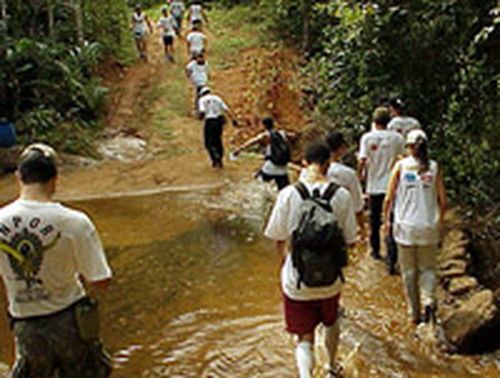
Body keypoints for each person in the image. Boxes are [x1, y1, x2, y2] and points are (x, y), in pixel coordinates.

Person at [0, 144, 113, 377]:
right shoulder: (75, 222)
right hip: (71, 322)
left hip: (25, 325)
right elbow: (101, 282)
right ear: (55, 179)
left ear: (19, 177)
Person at [265, 142, 357, 378]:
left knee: (304, 337)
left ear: (304, 163)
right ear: (329, 164)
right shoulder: (341, 195)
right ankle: (331, 367)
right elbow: (350, 239)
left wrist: (286, 264)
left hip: (297, 282)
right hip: (331, 280)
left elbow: (277, 238)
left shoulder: (288, 194)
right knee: (331, 320)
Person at [383, 130, 447, 325]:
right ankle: (429, 299)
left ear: (409, 147)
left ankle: (414, 313)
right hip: (428, 225)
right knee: (428, 268)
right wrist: (440, 221)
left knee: (409, 271)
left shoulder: (401, 167)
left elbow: (388, 198)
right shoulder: (434, 167)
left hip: (405, 227)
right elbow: (443, 201)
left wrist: (386, 221)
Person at [358, 107, 405, 272]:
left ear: (374, 121)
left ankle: (375, 251)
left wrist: (360, 177)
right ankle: (392, 259)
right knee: (391, 221)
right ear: (388, 121)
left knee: (374, 220)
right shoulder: (398, 139)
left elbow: (362, 161)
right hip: (393, 186)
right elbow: (402, 159)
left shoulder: (367, 138)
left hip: (374, 185)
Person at [232, 117, 292, 190]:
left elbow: (252, 142)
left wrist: (239, 149)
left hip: (270, 167)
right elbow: (294, 136)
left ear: (264, 125)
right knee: (284, 190)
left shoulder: (266, 135)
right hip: (283, 169)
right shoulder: (282, 133)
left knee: (258, 183)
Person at [198, 87, 238, 168]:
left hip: (210, 121)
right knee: (218, 139)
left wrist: (200, 117)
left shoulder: (202, 99)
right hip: (219, 121)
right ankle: (220, 157)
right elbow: (226, 109)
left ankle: (215, 157)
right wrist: (233, 120)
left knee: (208, 141)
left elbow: (202, 111)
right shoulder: (217, 98)